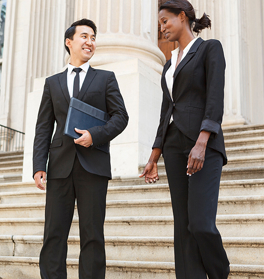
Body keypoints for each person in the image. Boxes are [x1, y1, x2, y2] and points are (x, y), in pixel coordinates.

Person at [140, 0, 230, 278]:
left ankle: (219, 272)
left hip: (203, 144)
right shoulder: (168, 64)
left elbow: (215, 96)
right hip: (173, 145)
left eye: (165, 21)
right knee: (183, 225)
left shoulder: (209, 49)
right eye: (159, 24)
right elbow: (166, 109)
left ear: (182, 17)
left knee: (201, 223)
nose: (162, 28)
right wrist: (155, 155)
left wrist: (203, 141)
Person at [33, 18, 128, 279]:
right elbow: (43, 127)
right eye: (84, 36)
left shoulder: (105, 79)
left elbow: (121, 117)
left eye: (93, 37)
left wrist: (94, 135)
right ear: (69, 42)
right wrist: (39, 166)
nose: (90, 42)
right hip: (60, 166)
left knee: (93, 235)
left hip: (93, 166)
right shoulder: (52, 83)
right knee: (53, 234)